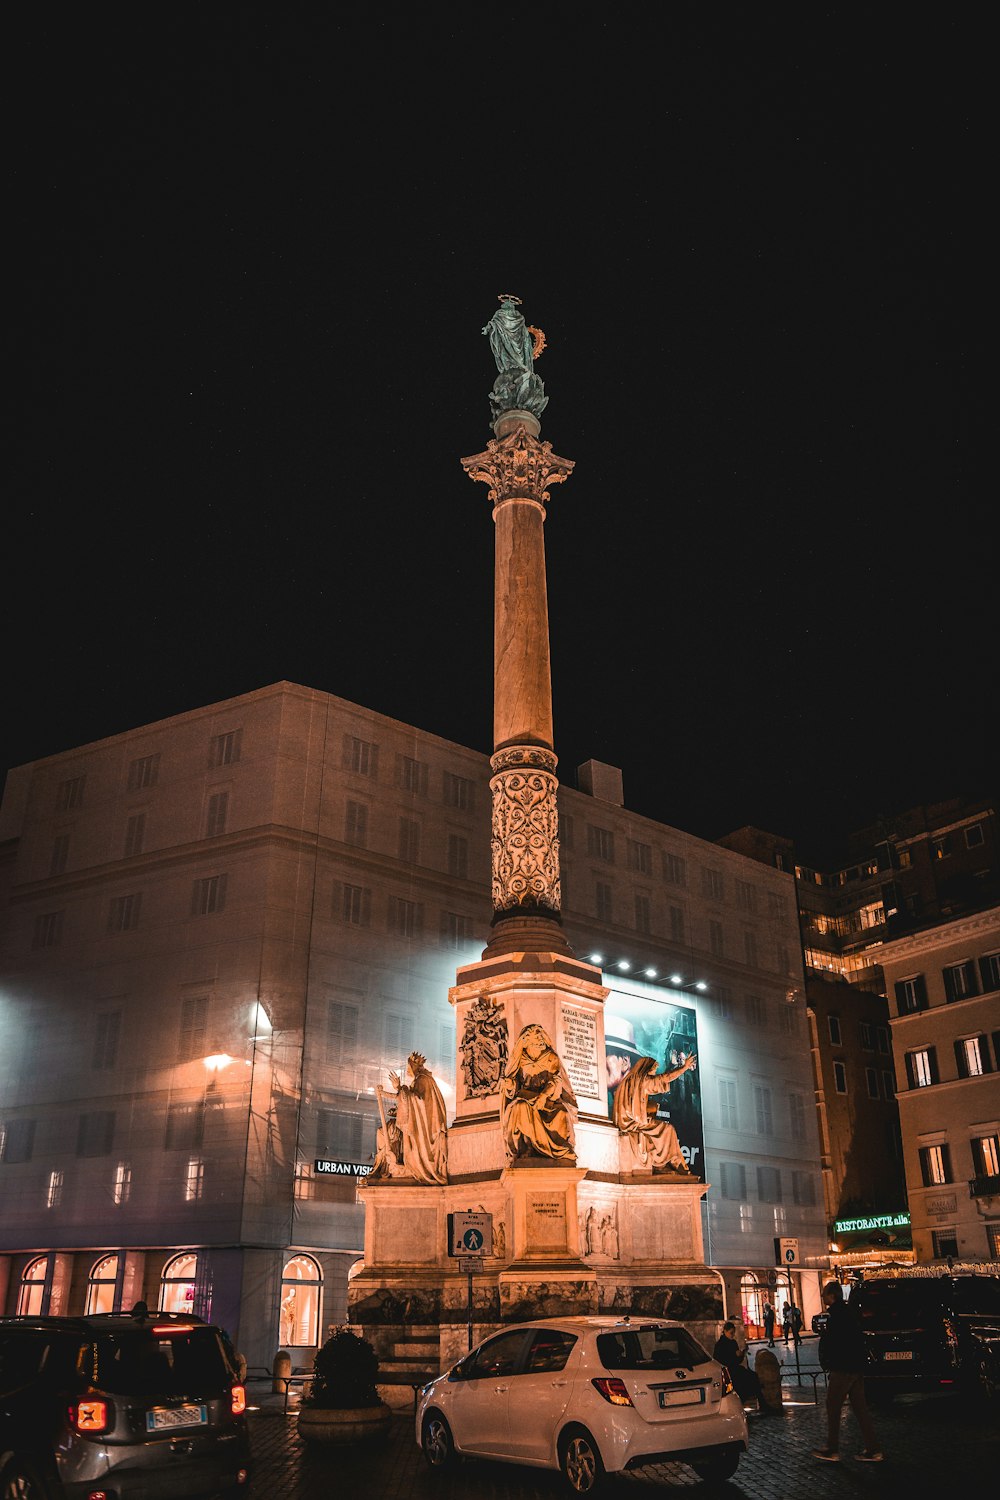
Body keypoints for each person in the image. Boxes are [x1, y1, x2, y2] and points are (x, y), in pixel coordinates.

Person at [812, 1281, 883, 1464]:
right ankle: (873, 1449)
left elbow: (836, 1343)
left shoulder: (836, 1315)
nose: (822, 1296)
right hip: (855, 1367)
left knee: (833, 1405)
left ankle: (832, 1448)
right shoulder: (849, 1312)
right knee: (860, 1408)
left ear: (832, 1296)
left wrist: (830, 1361)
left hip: (843, 1368)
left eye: (825, 1294)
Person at [501, 1024, 577, 1161]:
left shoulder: (550, 1057)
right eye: (537, 1038)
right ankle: (528, 1147)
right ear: (527, 1041)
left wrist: (544, 1095)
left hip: (548, 1099)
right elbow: (515, 1083)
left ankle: (558, 1150)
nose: (541, 1040)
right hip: (525, 1098)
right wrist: (510, 1084)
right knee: (520, 1108)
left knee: (562, 1113)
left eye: (541, 1036)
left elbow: (556, 1080)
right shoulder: (520, 1059)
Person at [613, 1052, 697, 1172]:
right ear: (646, 1069)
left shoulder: (627, 1081)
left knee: (659, 1126)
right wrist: (684, 1067)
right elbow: (665, 1078)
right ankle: (674, 1162)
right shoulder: (642, 1081)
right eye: (653, 1070)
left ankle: (668, 1162)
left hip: (626, 1121)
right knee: (668, 1130)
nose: (654, 1074)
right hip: (633, 1123)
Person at [381, 1051, 448, 1184]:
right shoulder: (423, 1080)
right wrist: (400, 1090)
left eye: (408, 1067)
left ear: (414, 1067)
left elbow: (418, 1101)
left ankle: (418, 1167)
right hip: (423, 1126)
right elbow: (413, 1100)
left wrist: (400, 1088)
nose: (407, 1070)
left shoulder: (423, 1080)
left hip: (425, 1131)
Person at [712, 1321, 768, 1413]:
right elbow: (720, 1361)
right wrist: (734, 1355)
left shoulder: (733, 1343)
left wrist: (740, 1355)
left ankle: (763, 1404)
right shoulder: (720, 1345)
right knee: (742, 1383)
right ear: (725, 1331)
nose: (732, 1335)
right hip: (728, 1371)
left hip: (735, 1368)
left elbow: (737, 1360)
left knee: (753, 1377)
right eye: (731, 1333)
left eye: (733, 1333)